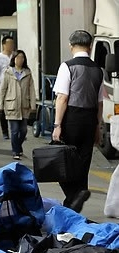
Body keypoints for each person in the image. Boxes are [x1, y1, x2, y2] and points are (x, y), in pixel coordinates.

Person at [52, 30, 104, 213]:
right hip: (90, 120)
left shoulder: (67, 66)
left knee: (62, 160)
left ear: (71, 46)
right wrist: (98, 127)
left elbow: (62, 98)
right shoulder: (98, 70)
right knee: (83, 161)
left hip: (71, 118)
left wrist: (57, 125)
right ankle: (77, 197)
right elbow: (100, 102)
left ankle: (74, 195)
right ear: (90, 47)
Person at [0, 50, 36, 160]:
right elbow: (3, 89)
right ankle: (15, 151)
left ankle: (18, 147)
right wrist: (0, 104)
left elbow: (31, 89)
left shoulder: (27, 73)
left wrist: (33, 104)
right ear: (13, 59)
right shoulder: (8, 72)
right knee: (14, 130)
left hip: (24, 105)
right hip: (11, 105)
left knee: (23, 130)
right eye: (18, 57)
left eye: (22, 58)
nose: (20, 60)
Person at [0, 36, 15, 140]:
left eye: (12, 44)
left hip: (14, 87)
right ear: (4, 45)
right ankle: (5, 132)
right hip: (2, 87)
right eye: (9, 44)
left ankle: (15, 131)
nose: (11, 46)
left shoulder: (15, 56)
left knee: (14, 110)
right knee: (3, 112)